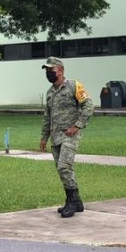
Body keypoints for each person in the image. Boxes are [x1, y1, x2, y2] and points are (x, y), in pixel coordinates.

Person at [39, 57, 94, 218]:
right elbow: (47, 117)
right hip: (56, 137)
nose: (49, 73)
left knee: (64, 166)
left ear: (61, 71)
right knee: (62, 170)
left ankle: (72, 201)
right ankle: (76, 201)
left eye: (52, 71)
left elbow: (89, 105)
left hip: (70, 135)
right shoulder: (50, 93)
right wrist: (44, 137)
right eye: (47, 71)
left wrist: (77, 125)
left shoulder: (73, 86)